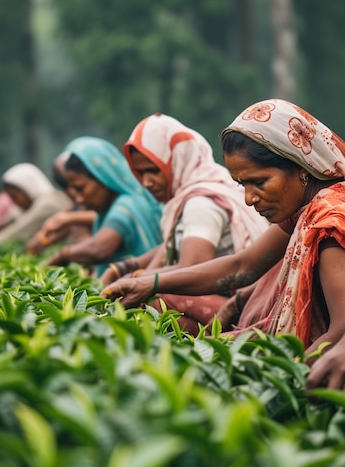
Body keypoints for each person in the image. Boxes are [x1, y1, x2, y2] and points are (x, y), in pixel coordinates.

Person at [102, 99, 345, 367]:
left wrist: (287, 374)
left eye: (259, 182)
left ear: (301, 168)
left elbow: (340, 334)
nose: (249, 199)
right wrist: (149, 282)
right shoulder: (305, 210)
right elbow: (243, 265)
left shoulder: (329, 221)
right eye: (242, 184)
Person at [100, 112, 269, 333]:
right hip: (236, 299)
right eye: (140, 173)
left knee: (154, 301)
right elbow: (171, 244)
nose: (146, 182)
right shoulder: (195, 192)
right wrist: (126, 270)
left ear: (178, 160)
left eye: (153, 170)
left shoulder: (201, 203)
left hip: (241, 303)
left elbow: (190, 266)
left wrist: (137, 279)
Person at [45, 136, 163, 277]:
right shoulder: (114, 207)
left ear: (103, 177)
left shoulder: (126, 206)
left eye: (80, 189)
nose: (78, 199)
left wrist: (63, 254)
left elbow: (99, 249)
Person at [27, 151, 95, 254]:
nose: (72, 192)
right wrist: (44, 239)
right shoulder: (76, 206)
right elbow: (59, 226)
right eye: (67, 186)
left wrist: (68, 218)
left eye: (78, 186)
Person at [0, 163, 70, 245]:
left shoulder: (48, 204)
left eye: (14, 196)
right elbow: (8, 219)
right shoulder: (30, 203)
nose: (14, 202)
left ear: (27, 188)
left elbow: (19, 231)